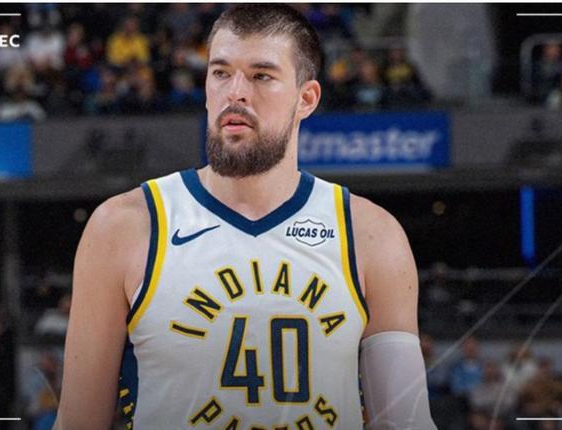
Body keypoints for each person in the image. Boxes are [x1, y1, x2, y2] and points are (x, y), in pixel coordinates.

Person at [54, 5, 436, 429]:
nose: (235, 92)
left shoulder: (371, 235)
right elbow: (78, 423)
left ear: (306, 99)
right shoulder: (124, 226)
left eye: (261, 76)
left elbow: (405, 424)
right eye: (220, 73)